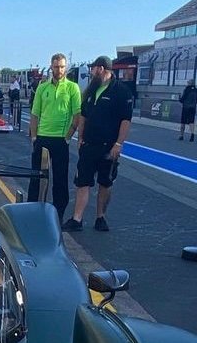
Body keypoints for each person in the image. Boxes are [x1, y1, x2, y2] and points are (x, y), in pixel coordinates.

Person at [64, 55, 133, 233]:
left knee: (105, 183)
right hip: (89, 145)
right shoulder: (91, 90)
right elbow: (84, 116)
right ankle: (77, 218)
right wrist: (80, 137)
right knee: (82, 182)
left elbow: (126, 120)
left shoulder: (121, 92)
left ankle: (100, 217)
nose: (91, 71)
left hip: (108, 146)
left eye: (93, 68)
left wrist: (118, 144)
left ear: (101, 69)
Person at [27, 53, 82, 225]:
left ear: (66, 68)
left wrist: (68, 137)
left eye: (62, 67)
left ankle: (58, 215)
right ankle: (31, 212)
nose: (59, 70)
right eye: (56, 66)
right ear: (51, 67)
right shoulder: (42, 88)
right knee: (36, 178)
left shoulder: (72, 88)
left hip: (60, 140)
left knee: (60, 180)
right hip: (42, 138)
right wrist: (34, 137)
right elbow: (35, 114)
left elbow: (77, 115)